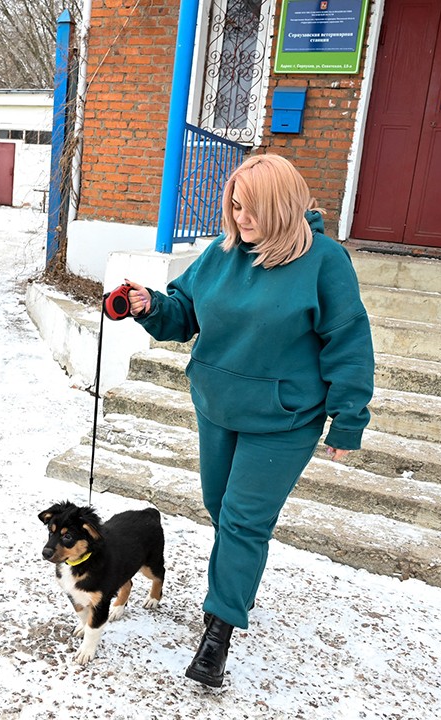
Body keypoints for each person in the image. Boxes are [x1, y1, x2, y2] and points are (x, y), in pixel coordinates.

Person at [124, 153, 374, 688]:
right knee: (221, 508)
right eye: (235, 207)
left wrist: (348, 418)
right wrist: (151, 307)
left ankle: (217, 634)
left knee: (242, 520)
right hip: (218, 405)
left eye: (253, 209)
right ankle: (237, 582)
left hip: (284, 419)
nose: (241, 219)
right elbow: (184, 313)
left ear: (283, 207)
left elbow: (348, 340)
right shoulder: (220, 253)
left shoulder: (325, 262)